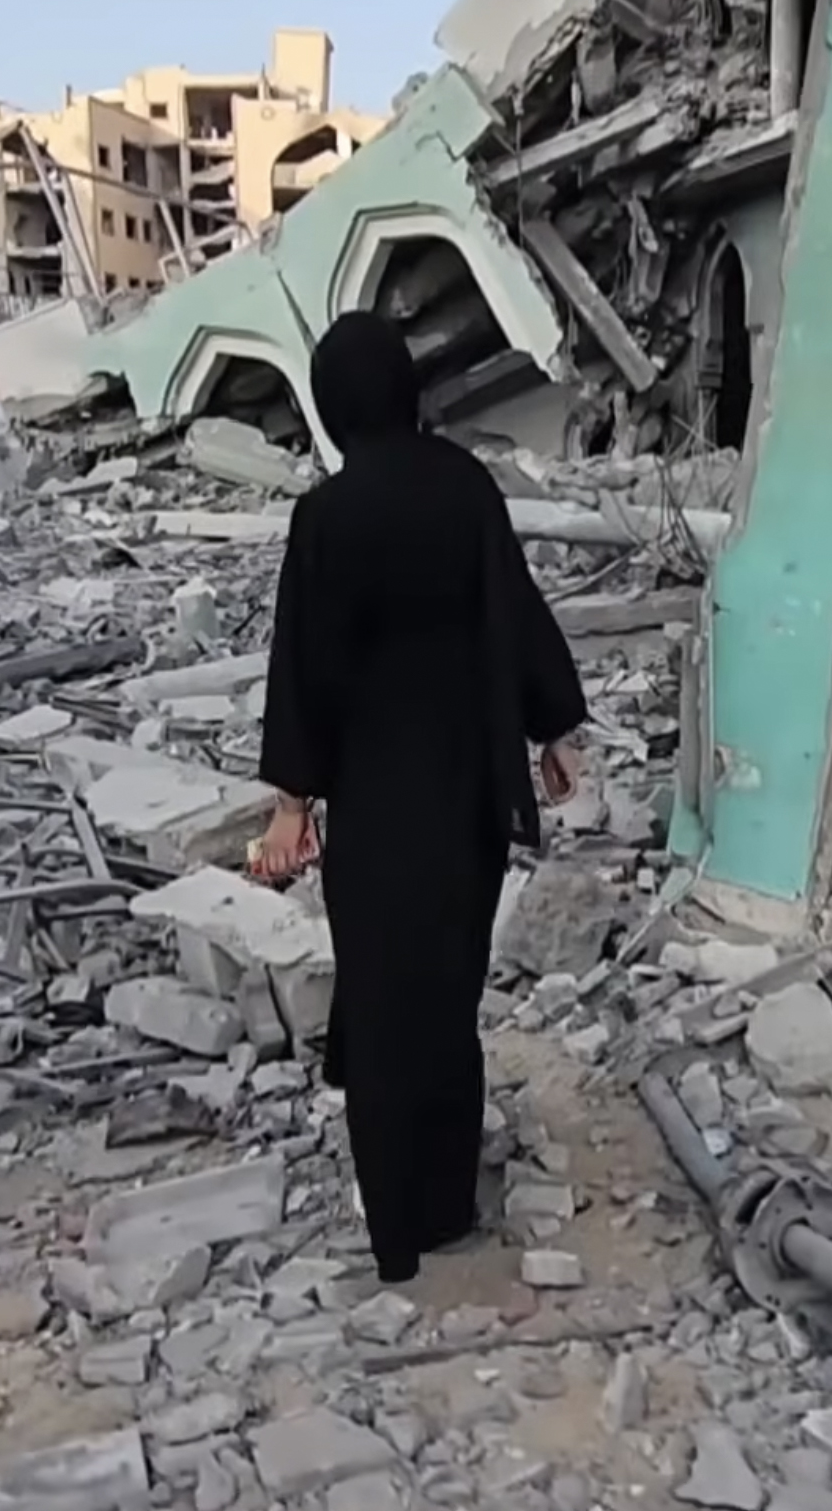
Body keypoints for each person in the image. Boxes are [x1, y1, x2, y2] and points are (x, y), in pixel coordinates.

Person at [251, 309, 587, 1284]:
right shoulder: (466, 489)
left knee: (384, 999)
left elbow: (300, 669)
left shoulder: (325, 517)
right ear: (404, 388)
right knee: (446, 999)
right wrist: (554, 732)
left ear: (331, 404)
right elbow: (514, 612)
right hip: (469, 800)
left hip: (376, 811)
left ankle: (395, 1226)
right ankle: (448, 1205)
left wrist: (291, 808)